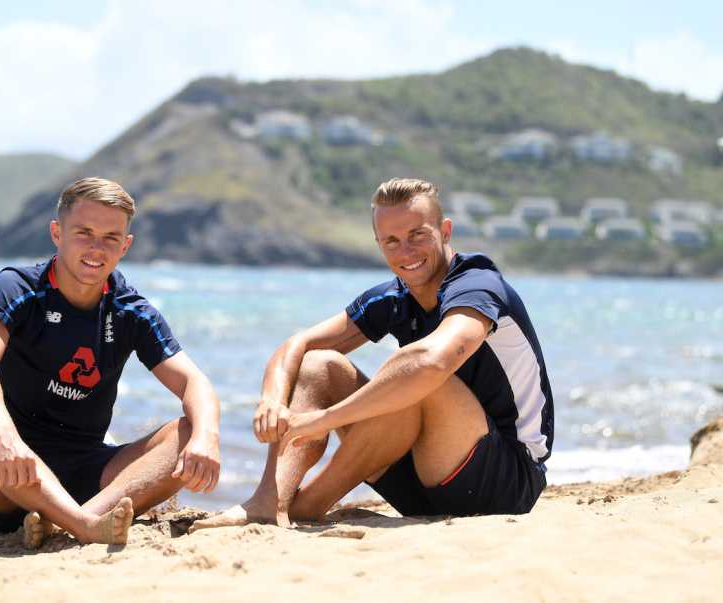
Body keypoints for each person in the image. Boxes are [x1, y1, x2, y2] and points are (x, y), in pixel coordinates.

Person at [192, 178, 551, 531]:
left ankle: (308, 505)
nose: (405, 252)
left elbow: (431, 362)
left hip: (506, 481)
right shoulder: (393, 298)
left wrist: (326, 419)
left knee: (415, 374)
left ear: (445, 231)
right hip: (421, 486)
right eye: (391, 241)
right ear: (378, 244)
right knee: (320, 365)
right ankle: (271, 501)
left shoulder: (478, 285)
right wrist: (271, 401)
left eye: (417, 235)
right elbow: (298, 345)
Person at [0, 177, 221, 547]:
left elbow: (194, 383)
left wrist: (207, 437)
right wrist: (4, 437)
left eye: (111, 237)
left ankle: (76, 521)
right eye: (84, 232)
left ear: (125, 246)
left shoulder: (130, 310)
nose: (97, 248)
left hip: (85, 476)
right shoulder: (18, 287)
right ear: (56, 233)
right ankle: (81, 524)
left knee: (188, 429)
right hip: (5, 475)